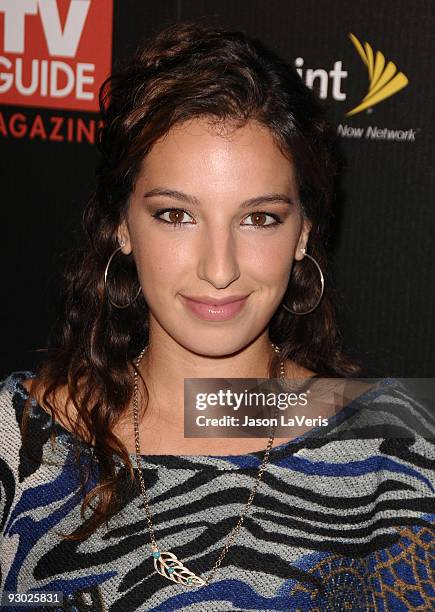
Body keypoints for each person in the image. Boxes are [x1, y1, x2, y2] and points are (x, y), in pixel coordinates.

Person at [1, 21, 434, 612]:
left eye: (259, 218)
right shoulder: (16, 437)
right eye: (177, 214)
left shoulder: (391, 456)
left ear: (303, 230)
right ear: (123, 224)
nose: (220, 268)